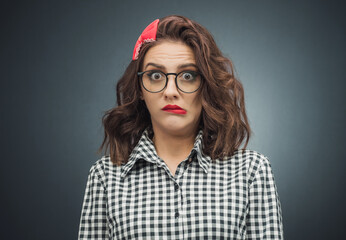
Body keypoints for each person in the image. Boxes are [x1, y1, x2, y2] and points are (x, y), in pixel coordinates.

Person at [78, 15, 284, 239]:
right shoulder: (105, 177)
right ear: (139, 88)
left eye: (187, 75)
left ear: (206, 85)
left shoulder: (251, 172)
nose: (170, 91)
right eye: (155, 75)